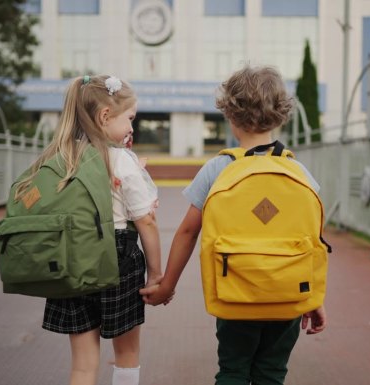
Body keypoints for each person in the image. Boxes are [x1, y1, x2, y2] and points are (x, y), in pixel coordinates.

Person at [140, 65, 327, 385]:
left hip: (235, 293)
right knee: (271, 372)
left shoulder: (218, 168)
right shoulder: (298, 171)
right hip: (287, 297)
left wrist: (167, 285)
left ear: (229, 114)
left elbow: (187, 231)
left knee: (233, 371)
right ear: (282, 115)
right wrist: (314, 298)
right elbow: (309, 239)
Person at [16, 74, 162, 385]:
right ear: (105, 115)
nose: (132, 128)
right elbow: (146, 221)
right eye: (130, 119)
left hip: (71, 260)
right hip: (117, 260)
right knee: (126, 355)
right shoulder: (122, 160)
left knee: (82, 365)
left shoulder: (61, 158)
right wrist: (157, 274)